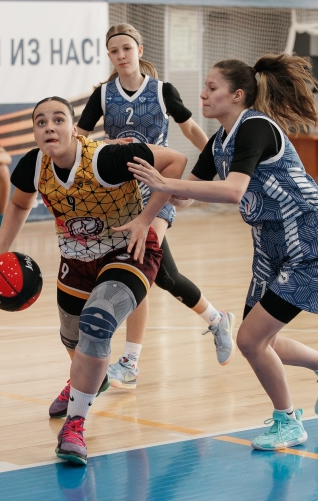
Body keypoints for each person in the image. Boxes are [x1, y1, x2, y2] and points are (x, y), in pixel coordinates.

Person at [127, 54, 318, 451]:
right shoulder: (219, 142)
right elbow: (184, 197)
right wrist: (152, 187)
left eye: (212, 87)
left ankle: (288, 422)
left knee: (251, 341)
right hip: (270, 249)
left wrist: (168, 183)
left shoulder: (255, 127)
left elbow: (233, 191)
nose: (203, 94)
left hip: (307, 245)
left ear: (237, 95)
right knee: (261, 341)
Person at [0, 96, 186, 465]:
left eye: (58, 119)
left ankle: (75, 426)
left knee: (97, 322)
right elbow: (18, 204)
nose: (49, 127)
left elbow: (175, 160)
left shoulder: (106, 159)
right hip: (77, 259)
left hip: (128, 250)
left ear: (74, 128)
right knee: (72, 338)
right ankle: (89, 379)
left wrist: (146, 219)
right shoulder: (33, 165)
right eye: (41, 122)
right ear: (35, 133)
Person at [74, 23, 235, 393]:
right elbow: (79, 139)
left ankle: (130, 362)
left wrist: (211, 167)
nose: (121, 55)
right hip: (119, 194)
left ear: (140, 50)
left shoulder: (162, 91)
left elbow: (193, 131)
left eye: (126, 48)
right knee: (163, 275)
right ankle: (216, 318)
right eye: (114, 51)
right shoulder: (103, 95)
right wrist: (104, 146)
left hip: (156, 190)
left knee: (137, 263)